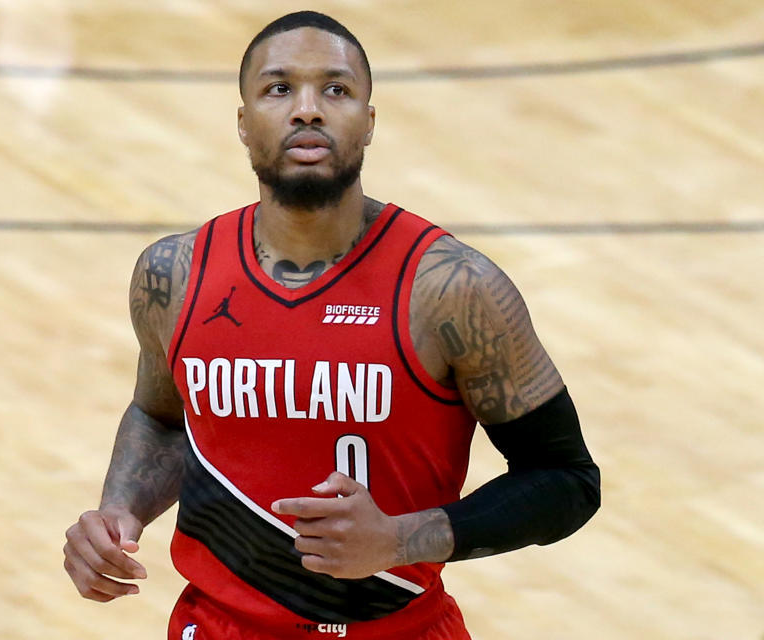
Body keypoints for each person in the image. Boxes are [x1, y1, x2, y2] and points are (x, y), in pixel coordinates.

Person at [63, 11, 601, 639]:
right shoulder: (173, 275)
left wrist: (401, 540)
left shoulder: (452, 290)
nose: (308, 109)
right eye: (278, 88)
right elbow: (162, 417)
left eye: (336, 90)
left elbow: (566, 481)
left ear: (369, 122)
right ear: (243, 121)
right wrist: (117, 514)